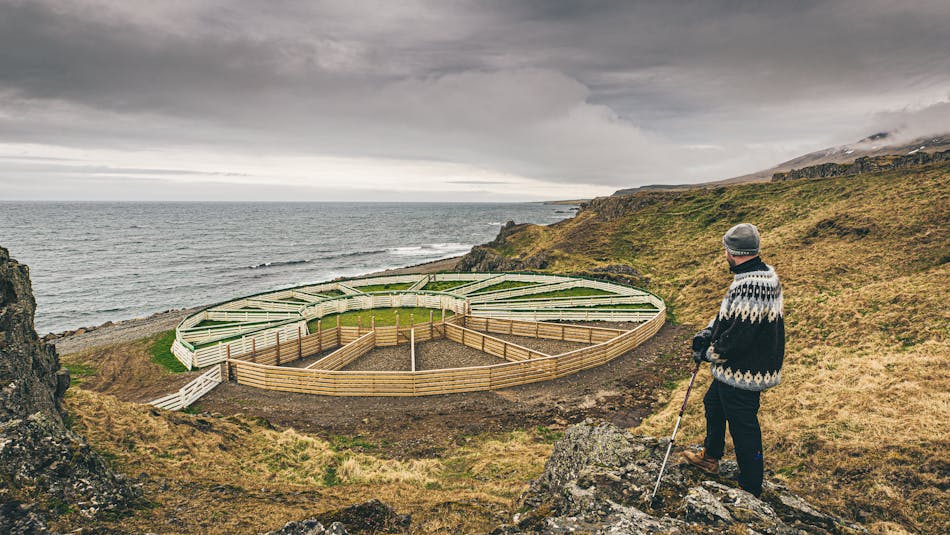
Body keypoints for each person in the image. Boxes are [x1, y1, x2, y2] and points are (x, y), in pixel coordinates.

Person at [682, 223, 785, 497]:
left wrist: (708, 353)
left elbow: (738, 337)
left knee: (743, 426)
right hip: (736, 369)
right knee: (713, 403)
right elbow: (731, 317)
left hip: (743, 370)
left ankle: (750, 487)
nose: (724, 254)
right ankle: (711, 456)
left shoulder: (751, 286)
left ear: (733, 251)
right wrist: (708, 331)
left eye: (726, 250)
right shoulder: (757, 276)